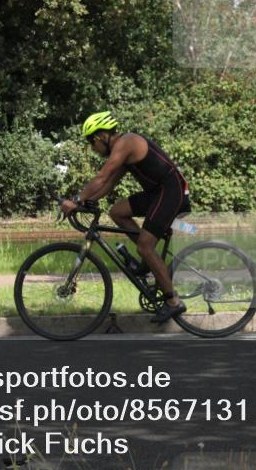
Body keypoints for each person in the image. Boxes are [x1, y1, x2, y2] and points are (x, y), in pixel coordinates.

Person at [61, 111, 191, 323]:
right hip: (157, 192)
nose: (93, 149)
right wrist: (86, 202)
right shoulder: (121, 151)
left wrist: (76, 200)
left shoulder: (127, 142)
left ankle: (173, 302)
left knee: (145, 246)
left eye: (91, 143)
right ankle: (149, 262)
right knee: (117, 212)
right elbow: (109, 183)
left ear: (101, 136)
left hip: (170, 191)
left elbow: (102, 176)